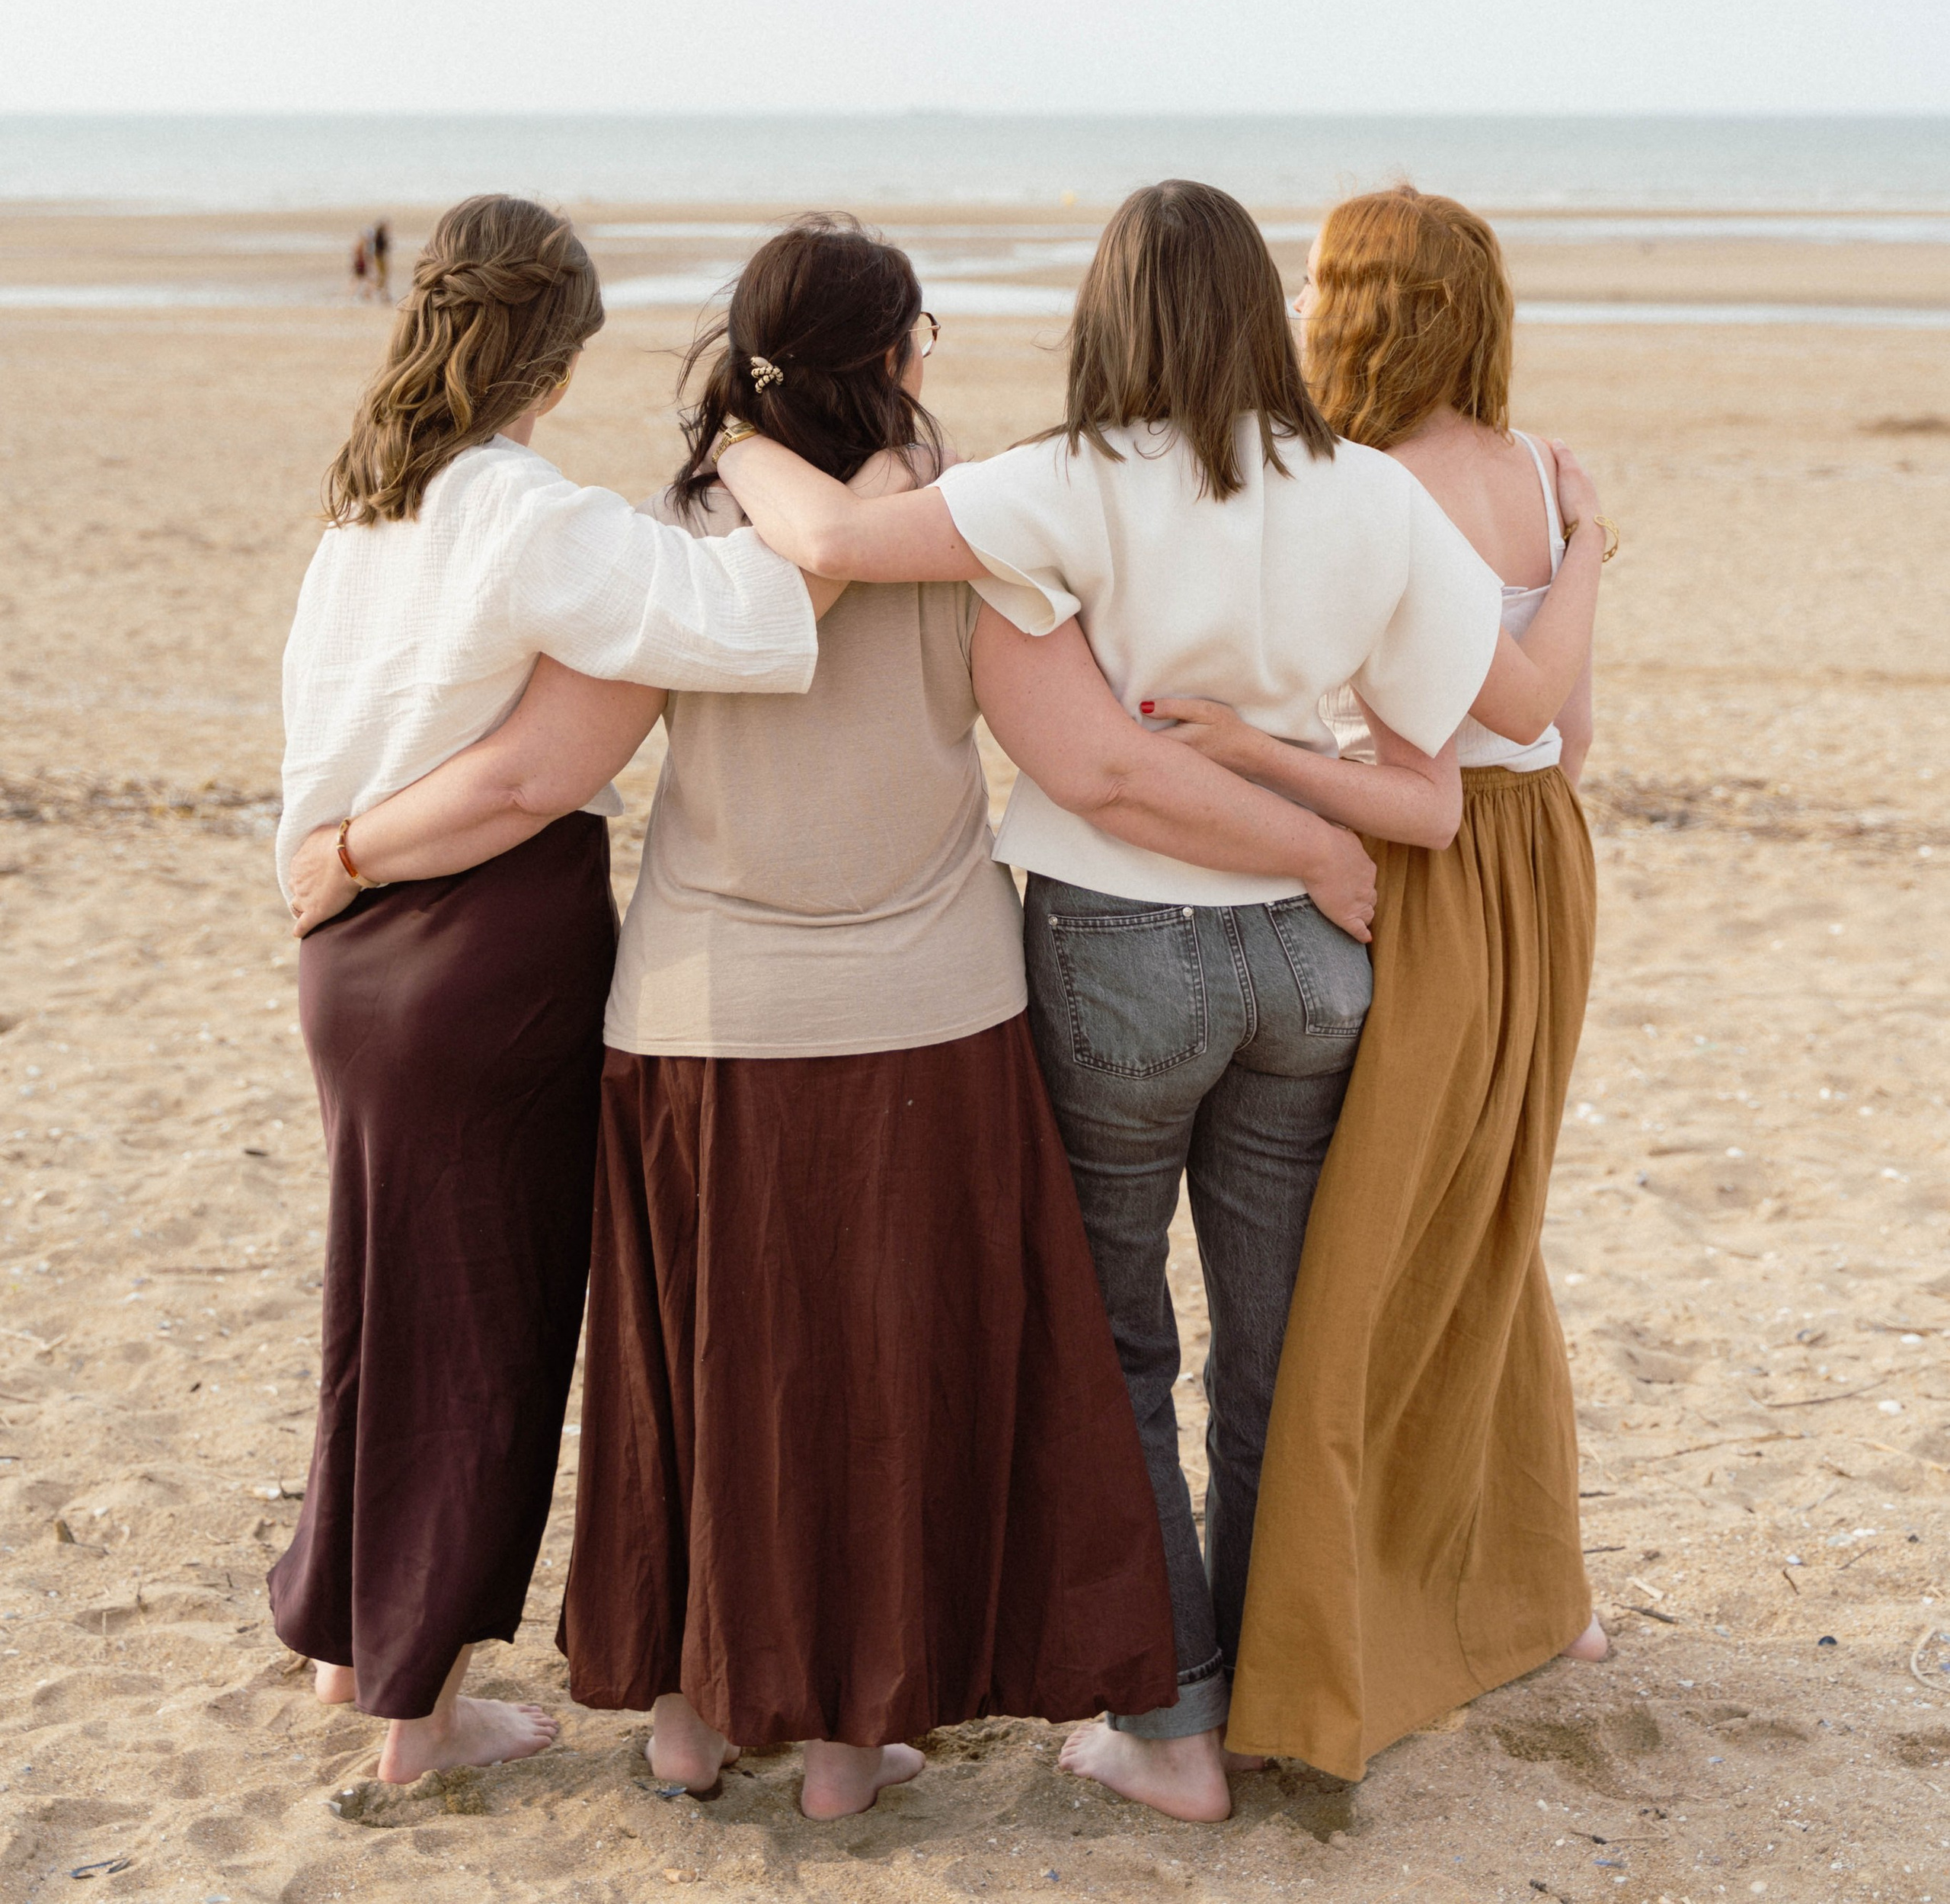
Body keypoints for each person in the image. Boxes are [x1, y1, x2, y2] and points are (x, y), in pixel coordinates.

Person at [285, 216, 1389, 1819]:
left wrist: (347, 845)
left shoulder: (679, 531)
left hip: (701, 1012)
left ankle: (688, 1710)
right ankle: (846, 1742)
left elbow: (557, 757)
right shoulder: (964, 537)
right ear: (893, 359)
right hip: (928, 1008)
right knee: (882, 1381)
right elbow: (1085, 761)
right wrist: (1312, 836)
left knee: (710, 1376)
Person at [712, 179, 1604, 1821]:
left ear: (1105, 312)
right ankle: (1276, 1695)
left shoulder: (1062, 479)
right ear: (1265, 310)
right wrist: (1297, 804)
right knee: (1279, 1348)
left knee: (1118, 1340)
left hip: (1117, 955)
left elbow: (827, 543)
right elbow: (1440, 792)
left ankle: (1171, 1727)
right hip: (1312, 962)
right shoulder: (1370, 492)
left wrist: (734, 432)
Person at [271, 193, 833, 1788]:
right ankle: (420, 1720)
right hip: (477, 952)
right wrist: (831, 498)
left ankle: (349, 1642)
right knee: (485, 1330)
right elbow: (754, 615)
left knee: (380, 1304)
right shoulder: (533, 515)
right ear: (562, 359)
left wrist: (345, 857)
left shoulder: (369, 502)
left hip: (348, 957)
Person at [1219, 187, 1610, 1780]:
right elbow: (1568, 741)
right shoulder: (1540, 473)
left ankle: (1343, 1641)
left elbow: (1445, 759)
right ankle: (1538, 1591)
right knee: (1490, 1211)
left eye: (1322, 284)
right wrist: (1588, 552)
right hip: (1547, 863)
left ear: (1363, 310)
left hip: (1434, 873)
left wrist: (1254, 756)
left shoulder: (1372, 486)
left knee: (1372, 1242)